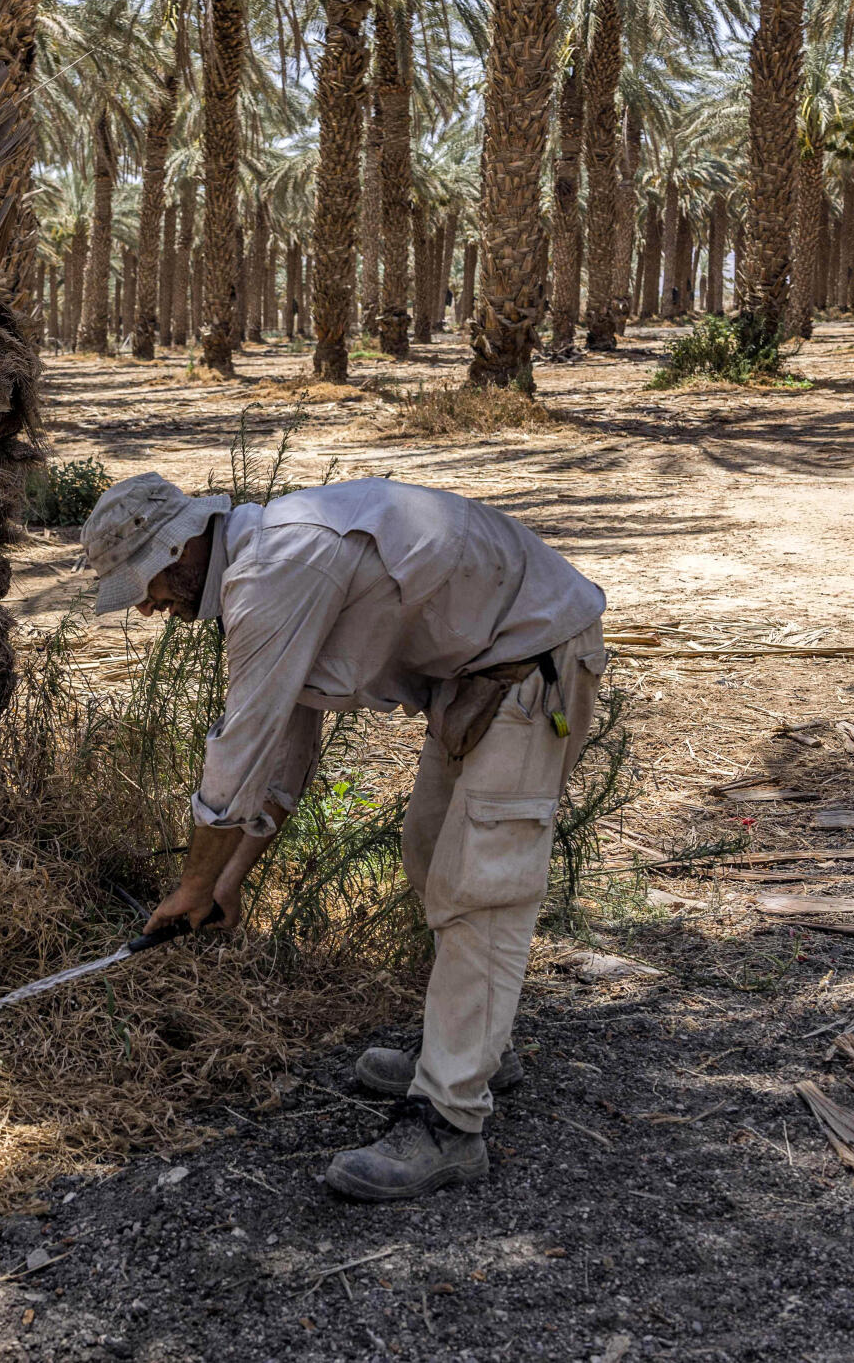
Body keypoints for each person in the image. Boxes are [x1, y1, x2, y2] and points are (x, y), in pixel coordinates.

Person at [80, 472, 607, 1201]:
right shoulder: (262, 578)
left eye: (148, 581)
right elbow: (285, 756)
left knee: (482, 886)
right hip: (477, 674)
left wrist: (193, 886)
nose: (148, 603)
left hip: (535, 656)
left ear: (182, 546)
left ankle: (451, 1120)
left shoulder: (275, 570)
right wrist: (229, 884)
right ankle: (476, 1048)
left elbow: (239, 751)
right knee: (430, 856)